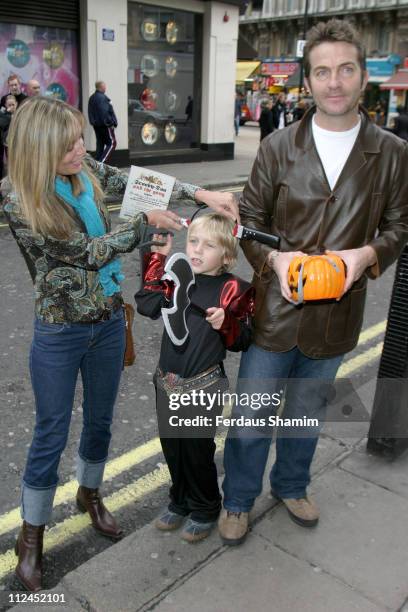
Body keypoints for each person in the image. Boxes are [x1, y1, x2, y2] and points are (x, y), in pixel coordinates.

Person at [3, 96, 239, 591]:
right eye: (68, 143)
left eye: (79, 137)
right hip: (61, 331)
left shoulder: (81, 166)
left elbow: (140, 184)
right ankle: (32, 533)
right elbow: (85, 252)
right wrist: (142, 225)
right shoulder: (18, 198)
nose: (80, 148)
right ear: (39, 148)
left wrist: (203, 194)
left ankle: (90, 494)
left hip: (109, 321)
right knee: (50, 430)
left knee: (102, 419)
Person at [218, 18, 408, 546]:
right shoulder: (278, 146)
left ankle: (292, 485)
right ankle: (237, 500)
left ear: (363, 75)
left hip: (338, 317)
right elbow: (249, 223)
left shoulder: (391, 153)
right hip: (275, 313)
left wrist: (366, 254)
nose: (335, 82)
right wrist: (274, 263)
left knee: (305, 416)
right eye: (322, 71)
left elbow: (400, 226)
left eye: (346, 69)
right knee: (251, 421)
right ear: (307, 80)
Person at [135, 213, 254, 542]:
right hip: (166, 381)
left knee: (196, 449)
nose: (197, 249)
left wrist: (225, 323)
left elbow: (244, 340)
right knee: (172, 447)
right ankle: (180, 500)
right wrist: (155, 257)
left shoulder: (234, 289)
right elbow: (146, 304)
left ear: (227, 256)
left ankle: (205, 505)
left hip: (203, 383)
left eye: (209, 244)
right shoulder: (174, 276)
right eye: (193, 241)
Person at [0, 75, 27, 179]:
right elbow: (1, 118)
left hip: (22, 138)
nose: (14, 87)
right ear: (8, 86)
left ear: (19, 84)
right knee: (10, 164)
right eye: (11, 85)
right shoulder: (4, 99)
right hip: (7, 139)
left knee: (22, 163)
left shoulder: (26, 99)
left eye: (15, 84)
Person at [88, 81, 118, 163]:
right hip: (105, 125)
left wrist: (93, 122)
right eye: (105, 86)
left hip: (96, 125)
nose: (105, 88)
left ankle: (96, 164)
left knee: (100, 144)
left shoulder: (92, 98)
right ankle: (102, 164)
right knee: (112, 143)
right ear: (101, 87)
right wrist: (111, 123)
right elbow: (104, 112)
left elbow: (90, 112)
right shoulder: (103, 98)